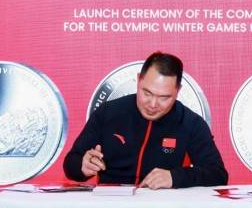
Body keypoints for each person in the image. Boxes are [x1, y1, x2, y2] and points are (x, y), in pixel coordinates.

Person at [64, 52, 228, 189]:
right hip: (111, 207)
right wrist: (82, 165)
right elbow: (71, 164)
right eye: (147, 93)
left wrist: (175, 177)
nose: (153, 104)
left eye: (164, 97)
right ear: (139, 80)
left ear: (178, 90)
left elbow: (218, 174)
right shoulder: (108, 112)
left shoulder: (191, 123)